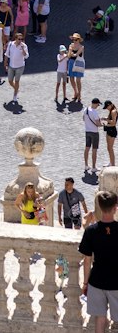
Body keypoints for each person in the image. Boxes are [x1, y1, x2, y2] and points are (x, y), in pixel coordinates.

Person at [80, 190, 118, 333]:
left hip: (96, 281)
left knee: (100, 319)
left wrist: (85, 283)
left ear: (100, 208)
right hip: (116, 282)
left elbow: (87, 260)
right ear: (115, 208)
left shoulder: (91, 231)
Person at [85, 99, 103, 175]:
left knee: (87, 148)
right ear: (95, 104)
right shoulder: (94, 112)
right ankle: (93, 167)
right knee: (94, 150)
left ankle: (86, 165)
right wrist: (103, 124)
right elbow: (98, 124)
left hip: (87, 131)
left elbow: (83, 119)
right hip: (94, 133)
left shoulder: (85, 109)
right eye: (98, 105)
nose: (98, 106)